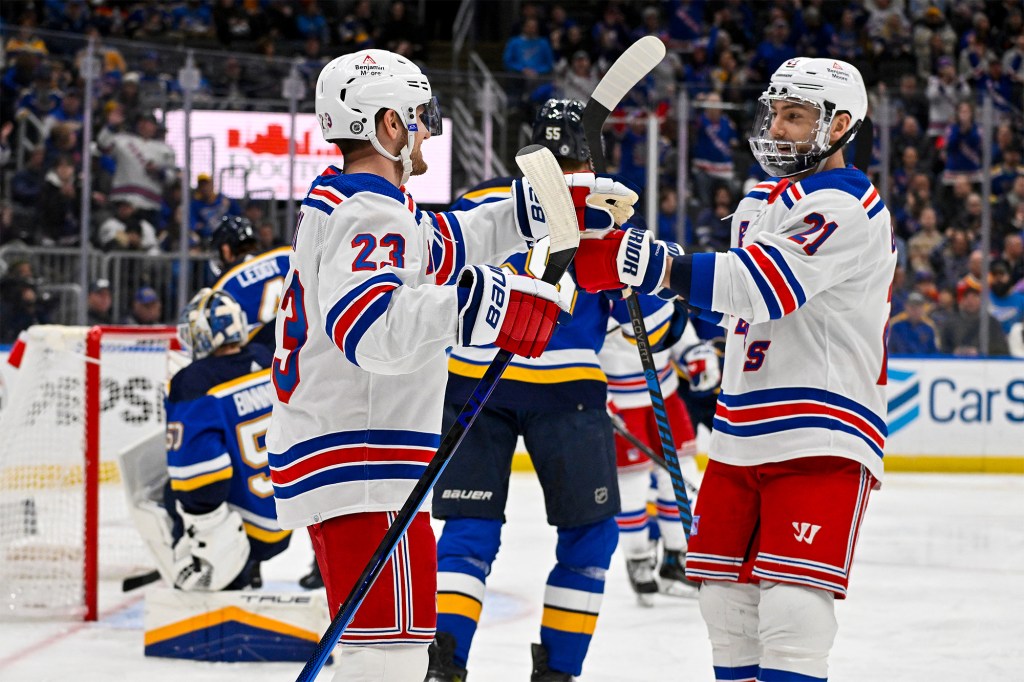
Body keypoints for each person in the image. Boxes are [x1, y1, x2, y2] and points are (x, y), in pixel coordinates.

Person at [265, 53, 628, 682]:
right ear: (387, 125)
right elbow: (373, 330)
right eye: (422, 117)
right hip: (365, 465)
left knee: (379, 652)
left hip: (343, 457)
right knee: (389, 660)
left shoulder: (350, 199)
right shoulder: (370, 213)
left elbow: (447, 240)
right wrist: (490, 299)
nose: (431, 129)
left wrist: (541, 206)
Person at [573, 58, 897, 682]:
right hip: (739, 428)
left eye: (796, 116)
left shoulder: (848, 204)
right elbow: (730, 311)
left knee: (793, 613)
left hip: (820, 429)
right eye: (774, 112)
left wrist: (647, 262)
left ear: (840, 127)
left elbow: (761, 287)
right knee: (724, 604)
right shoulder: (764, 199)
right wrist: (627, 264)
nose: (777, 126)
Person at [425, 98, 654, 682]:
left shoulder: (479, 201)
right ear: (587, 153)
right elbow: (647, 322)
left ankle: (443, 666)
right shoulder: (605, 210)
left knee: (466, 535)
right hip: (567, 394)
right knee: (591, 533)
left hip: (474, 385)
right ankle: (558, 672)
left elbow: (437, 276)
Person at [163, 288, 291, 591]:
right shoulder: (265, 359)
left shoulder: (194, 381)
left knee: (175, 489)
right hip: (285, 516)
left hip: (244, 532)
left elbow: (201, 480)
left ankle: (218, 571)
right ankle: (248, 568)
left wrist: (198, 526)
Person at [600, 303, 700, 605]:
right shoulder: (591, 285)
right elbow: (581, 344)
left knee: (682, 476)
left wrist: (694, 354)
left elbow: (676, 323)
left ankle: (678, 555)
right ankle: (638, 557)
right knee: (632, 487)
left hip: (665, 395)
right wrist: (595, 393)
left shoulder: (656, 269)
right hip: (622, 400)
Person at [209, 215, 290, 352]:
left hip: (262, 360)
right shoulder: (285, 255)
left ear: (226, 250)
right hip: (306, 345)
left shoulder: (225, 285)